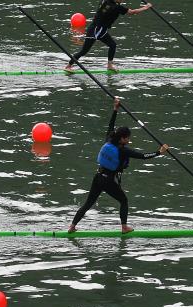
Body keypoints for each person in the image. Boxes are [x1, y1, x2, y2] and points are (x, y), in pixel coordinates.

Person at [68, 98, 169, 233]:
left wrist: (115, 109)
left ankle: (72, 226)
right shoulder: (123, 150)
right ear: (122, 138)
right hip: (108, 180)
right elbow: (143, 156)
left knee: (88, 203)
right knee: (124, 200)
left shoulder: (109, 139)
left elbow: (111, 125)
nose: (129, 140)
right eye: (127, 138)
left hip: (98, 177)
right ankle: (124, 227)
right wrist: (159, 152)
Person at [65, 0, 152, 73]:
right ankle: (68, 66)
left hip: (98, 28)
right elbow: (132, 12)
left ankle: (109, 65)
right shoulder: (116, 8)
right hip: (97, 30)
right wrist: (146, 7)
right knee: (84, 51)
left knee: (112, 45)